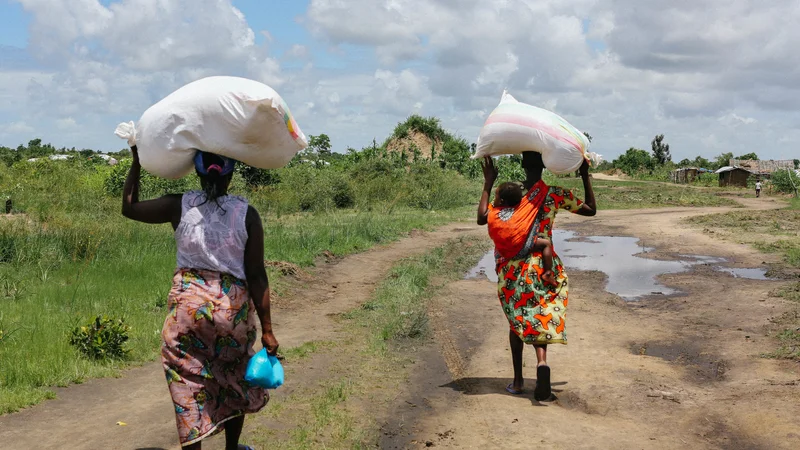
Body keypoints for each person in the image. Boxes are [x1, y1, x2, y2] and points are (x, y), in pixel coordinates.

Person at [122, 147, 279, 450]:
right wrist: (269, 331)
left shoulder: (177, 206)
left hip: (187, 313)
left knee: (187, 383)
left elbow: (130, 207)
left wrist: (137, 162)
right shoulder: (248, 215)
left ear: (196, 171)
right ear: (231, 174)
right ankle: (232, 448)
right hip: (230, 314)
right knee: (234, 377)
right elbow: (257, 276)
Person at [477, 152, 597, 401]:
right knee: (538, 315)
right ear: (544, 165)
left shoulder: (511, 199)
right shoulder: (553, 194)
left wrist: (488, 182)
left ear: (522, 165)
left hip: (512, 270)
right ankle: (542, 363)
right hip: (543, 267)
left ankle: (518, 381)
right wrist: (585, 176)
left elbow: (483, 218)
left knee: (516, 321)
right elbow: (590, 210)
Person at [491, 181, 558, 287]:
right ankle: (548, 272)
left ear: (501, 201)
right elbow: (536, 199)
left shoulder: (494, 213)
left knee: (499, 244)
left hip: (504, 252)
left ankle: (498, 265)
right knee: (546, 244)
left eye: (496, 197)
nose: (494, 199)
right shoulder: (523, 210)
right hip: (522, 249)